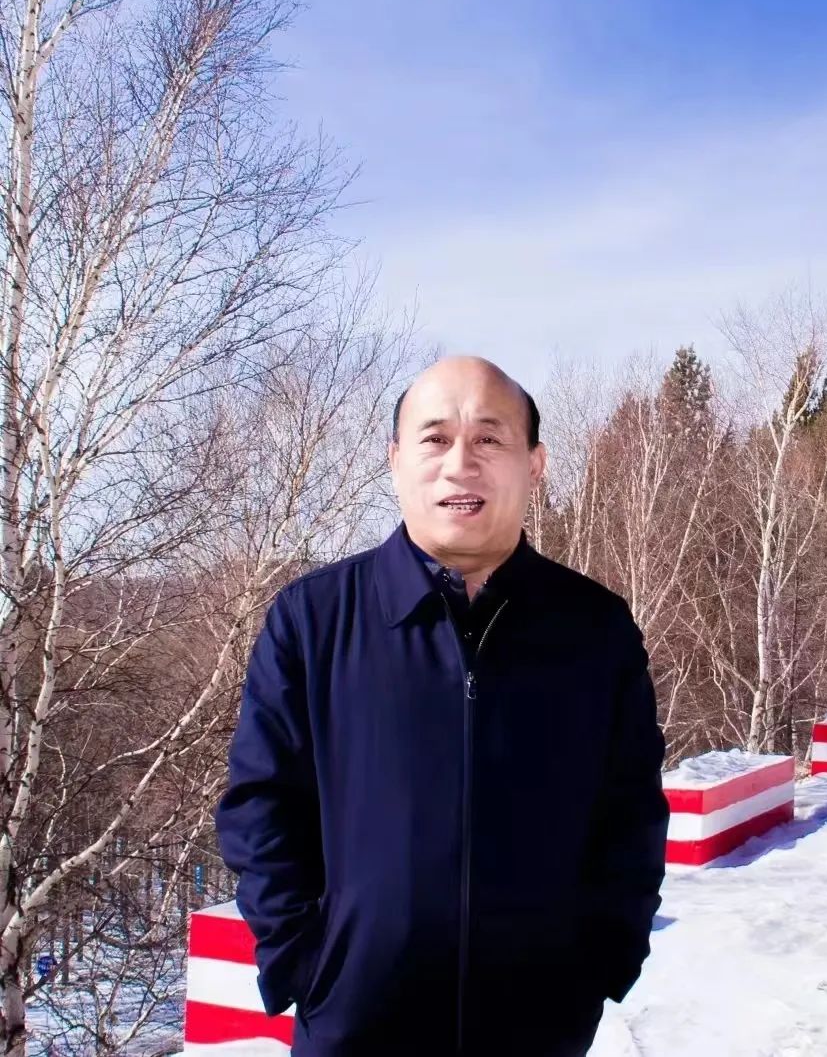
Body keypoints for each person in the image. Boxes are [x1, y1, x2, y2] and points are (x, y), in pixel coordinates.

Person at [216, 356, 669, 1057]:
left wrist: (601, 961)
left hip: (538, 1027)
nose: (461, 464)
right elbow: (260, 807)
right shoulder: (314, 621)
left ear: (535, 463)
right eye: (435, 438)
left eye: (489, 438)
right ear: (395, 459)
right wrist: (310, 964)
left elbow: (630, 811)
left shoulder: (594, 629)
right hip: (354, 1026)